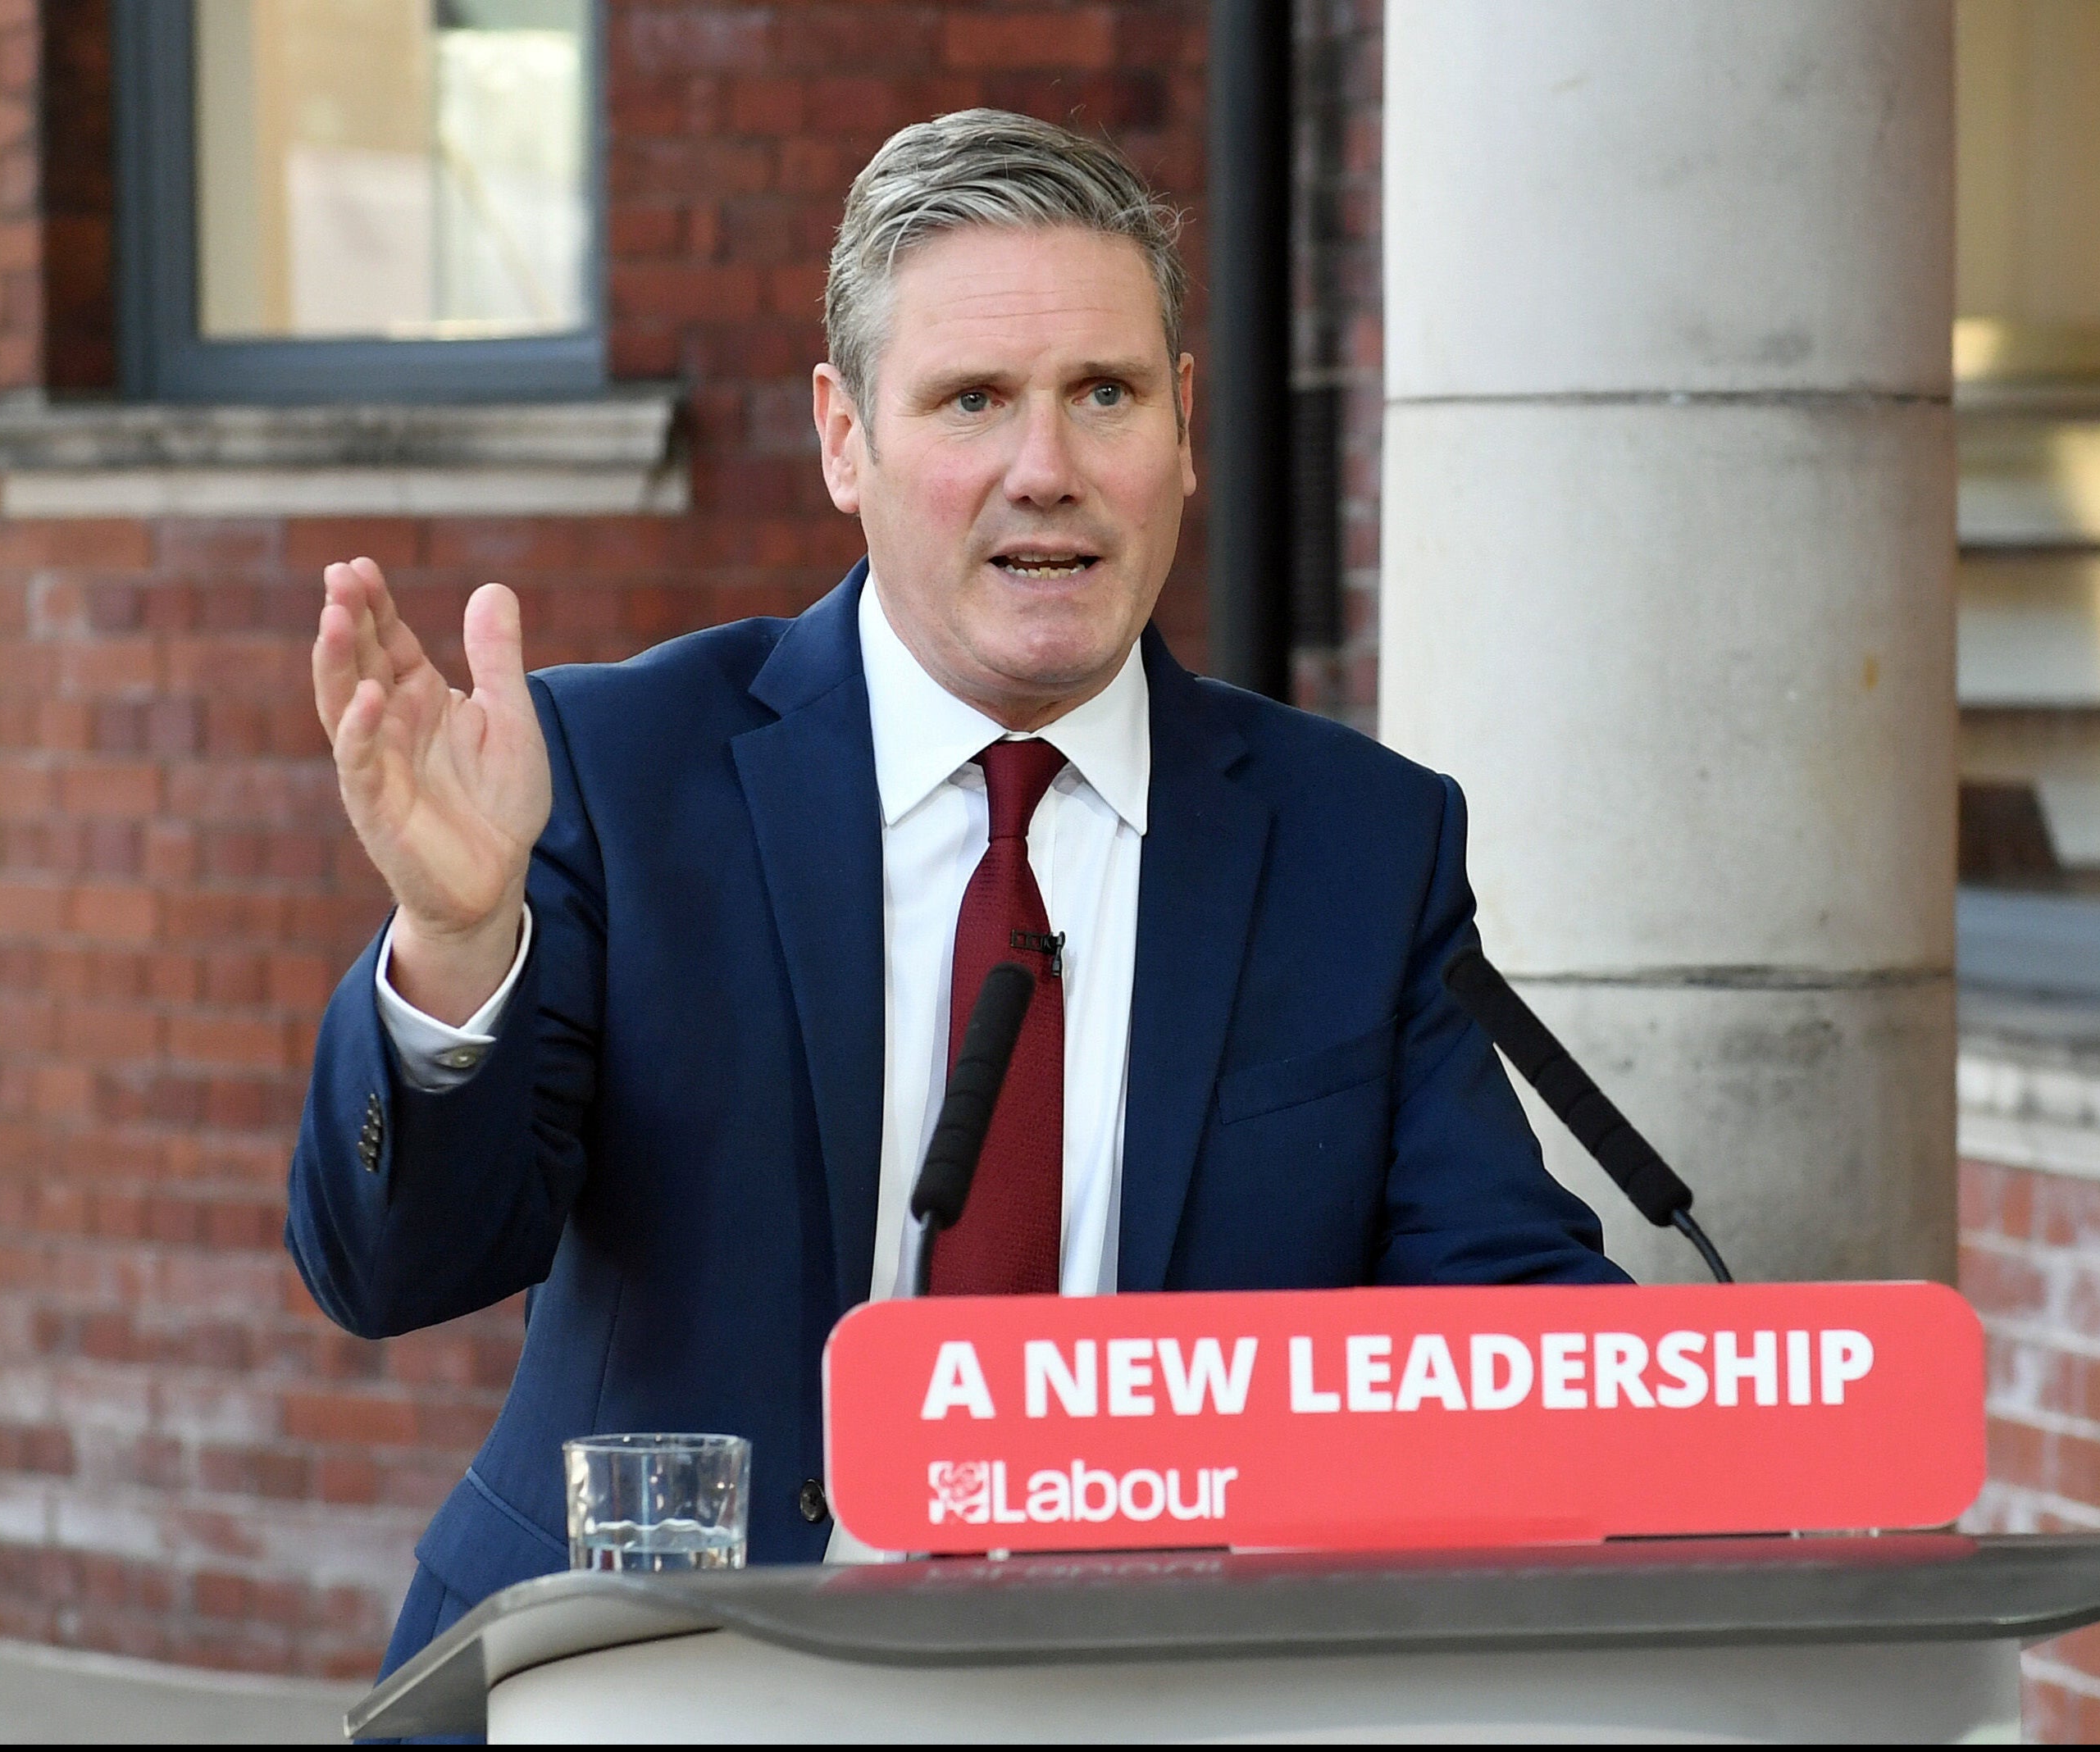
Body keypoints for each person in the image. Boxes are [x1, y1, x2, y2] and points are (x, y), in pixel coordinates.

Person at [290, 108, 1628, 1680]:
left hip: (1172, 1697)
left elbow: (1514, 1339)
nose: (1043, 470)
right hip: (659, 1677)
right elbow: (397, 1270)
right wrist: (455, 945)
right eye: (972, 399)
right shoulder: (622, 772)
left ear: (1185, 426)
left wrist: (1725, 1409)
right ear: (843, 436)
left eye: (1104, 395)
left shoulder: (1356, 841)